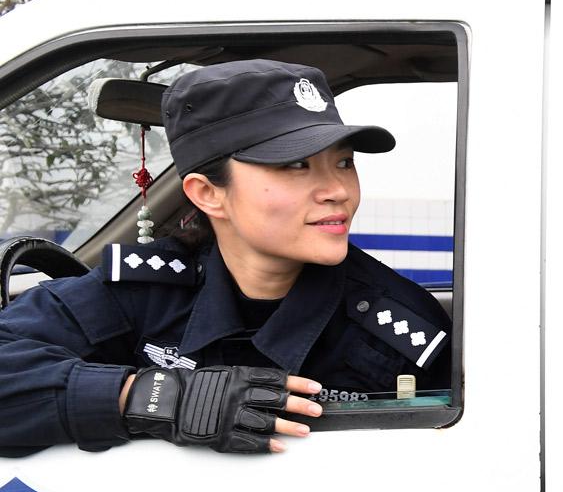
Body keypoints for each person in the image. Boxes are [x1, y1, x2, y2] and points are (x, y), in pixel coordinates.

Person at [0, 60, 450, 456]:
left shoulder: (402, 330)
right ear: (208, 193)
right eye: (296, 165)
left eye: (344, 162)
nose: (338, 190)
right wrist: (152, 397)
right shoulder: (139, 293)